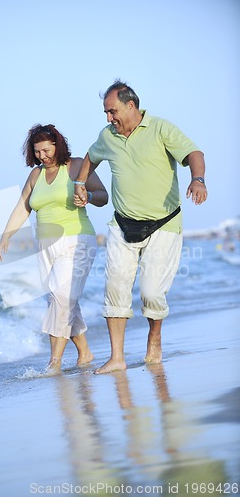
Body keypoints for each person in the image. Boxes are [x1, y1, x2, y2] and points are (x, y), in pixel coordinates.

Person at [74, 80, 208, 374]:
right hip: (122, 224)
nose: (109, 118)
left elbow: (193, 154)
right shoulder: (107, 136)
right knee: (115, 288)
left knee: (150, 291)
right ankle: (117, 357)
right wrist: (80, 183)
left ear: (130, 105)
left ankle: (155, 336)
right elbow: (90, 157)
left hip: (164, 224)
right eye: (106, 113)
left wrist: (197, 180)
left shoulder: (161, 128)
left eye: (112, 111)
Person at [0, 124, 108, 373]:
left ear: (58, 145)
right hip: (44, 246)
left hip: (77, 240)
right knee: (63, 300)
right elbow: (22, 208)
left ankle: (54, 362)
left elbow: (103, 195)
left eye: (46, 150)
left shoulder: (77, 166)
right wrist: (6, 236)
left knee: (60, 298)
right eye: (37, 152)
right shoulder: (35, 176)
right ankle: (85, 352)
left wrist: (88, 197)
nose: (42, 156)